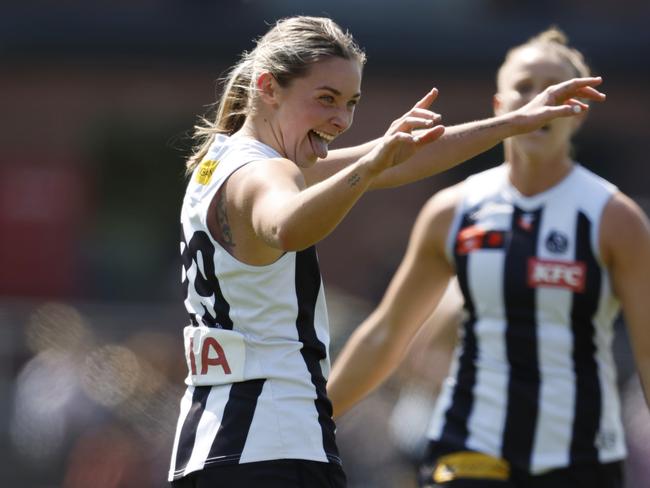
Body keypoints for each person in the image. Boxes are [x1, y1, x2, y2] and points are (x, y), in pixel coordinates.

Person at [168, 16, 607, 488]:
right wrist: (372, 164)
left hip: (208, 442)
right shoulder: (266, 173)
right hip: (270, 443)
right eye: (326, 99)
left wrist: (512, 123)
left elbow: (400, 162)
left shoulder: (224, 159)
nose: (342, 119)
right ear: (268, 87)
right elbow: (286, 226)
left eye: (351, 103)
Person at [327, 26, 650, 488]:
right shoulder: (453, 210)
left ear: (577, 114)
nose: (538, 102)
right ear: (499, 107)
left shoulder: (615, 218)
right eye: (523, 88)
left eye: (553, 90)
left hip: (579, 458)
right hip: (470, 451)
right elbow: (387, 334)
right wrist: (312, 420)